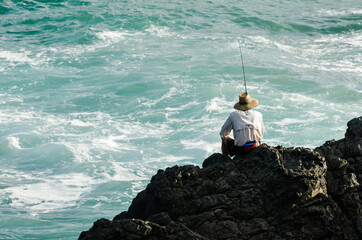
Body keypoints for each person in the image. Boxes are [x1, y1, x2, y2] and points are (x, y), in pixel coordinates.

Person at [220, 92, 264, 156]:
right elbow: (261, 133)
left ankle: (225, 159)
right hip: (256, 147)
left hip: (241, 150)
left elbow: (222, 133)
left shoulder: (234, 115)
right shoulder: (258, 115)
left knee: (224, 137)